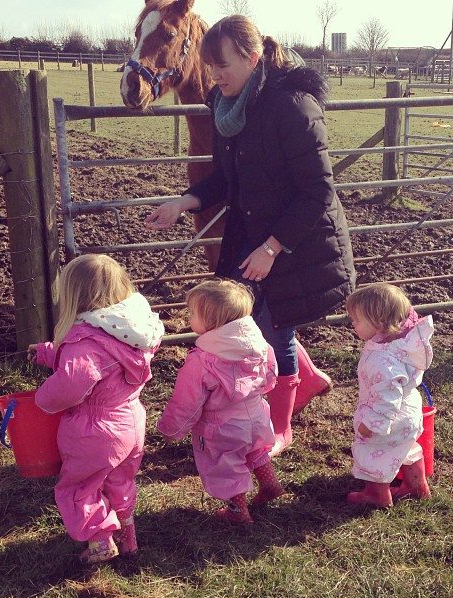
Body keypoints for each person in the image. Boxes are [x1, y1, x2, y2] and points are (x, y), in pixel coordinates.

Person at [145, 15, 356, 457]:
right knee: (255, 319)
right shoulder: (227, 109)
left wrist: (272, 248)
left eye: (223, 65)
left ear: (253, 57)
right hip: (255, 229)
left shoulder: (291, 106)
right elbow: (227, 177)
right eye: (211, 65)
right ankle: (309, 379)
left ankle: (280, 427)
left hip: (297, 236)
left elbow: (318, 192)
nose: (215, 75)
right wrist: (184, 202)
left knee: (274, 324)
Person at [27, 254, 164, 563]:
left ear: (75, 296)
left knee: (81, 486)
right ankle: (128, 536)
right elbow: (101, 360)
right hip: (130, 420)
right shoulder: (128, 331)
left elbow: (78, 376)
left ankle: (100, 541)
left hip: (94, 429)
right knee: (120, 480)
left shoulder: (85, 340)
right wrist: (50, 353)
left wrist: (43, 398)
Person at [157, 279, 285, 524]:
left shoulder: (202, 360)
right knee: (255, 449)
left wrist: (171, 429)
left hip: (222, 426)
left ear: (211, 322)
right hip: (256, 414)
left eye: (192, 313)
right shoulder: (258, 344)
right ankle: (270, 484)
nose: (188, 317)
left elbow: (187, 402)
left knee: (225, 464)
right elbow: (271, 372)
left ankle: (238, 512)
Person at [345, 283, 434, 508]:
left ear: (379, 323)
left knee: (373, 452)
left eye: (357, 320)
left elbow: (386, 398)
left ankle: (376, 495)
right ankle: (416, 487)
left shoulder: (381, 362)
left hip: (388, 418)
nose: (352, 324)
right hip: (409, 412)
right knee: (408, 447)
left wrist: (373, 424)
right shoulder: (399, 345)